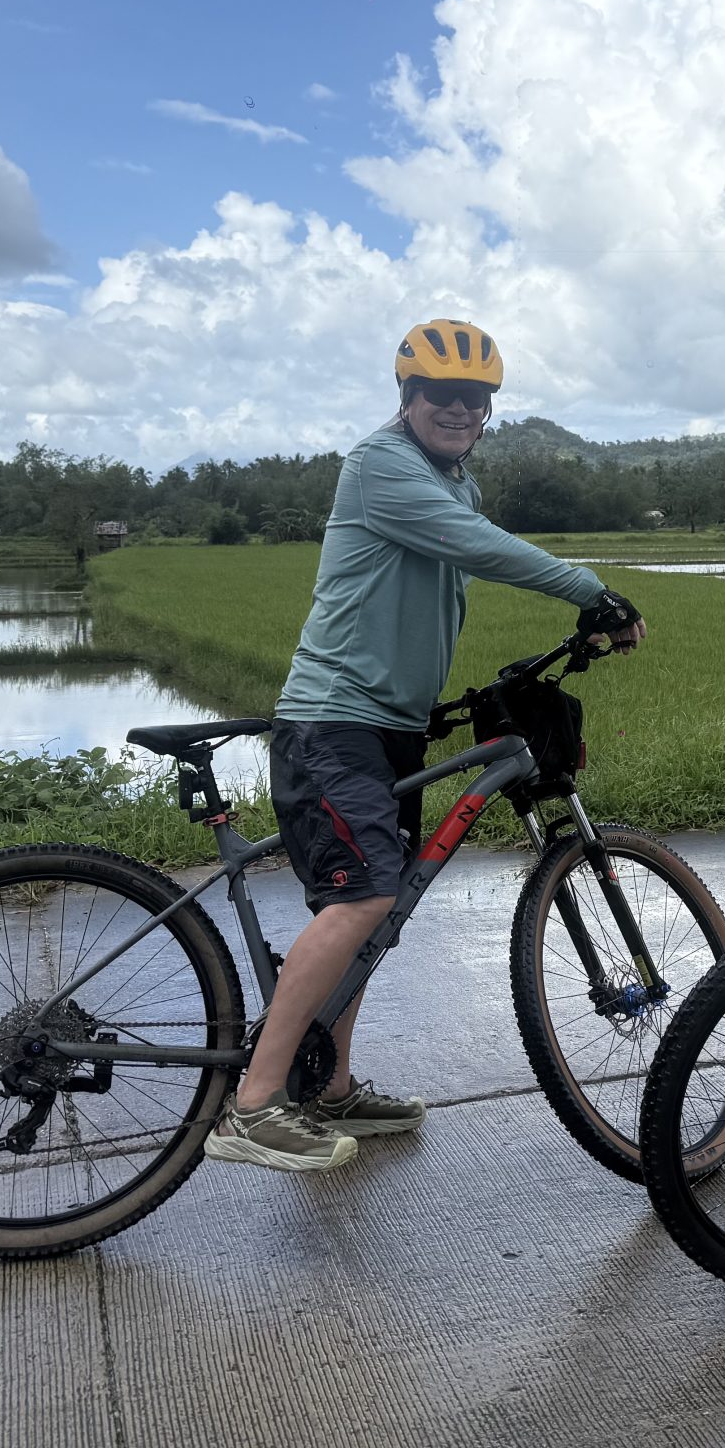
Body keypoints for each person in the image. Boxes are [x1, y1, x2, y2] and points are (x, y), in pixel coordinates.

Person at [206, 318, 644, 1172]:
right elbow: (478, 548)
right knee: (364, 897)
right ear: (407, 397)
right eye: (441, 393)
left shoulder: (453, 483)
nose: (458, 409)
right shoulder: (380, 466)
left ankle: (331, 1089)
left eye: (474, 398)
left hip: (386, 728)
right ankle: (252, 1109)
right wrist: (590, 590)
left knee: (377, 912)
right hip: (333, 724)